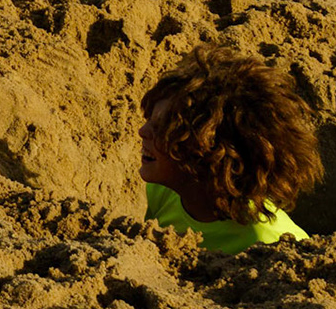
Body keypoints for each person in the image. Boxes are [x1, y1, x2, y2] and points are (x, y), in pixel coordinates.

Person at [138, 46, 323, 253]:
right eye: (149, 121)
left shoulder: (270, 244)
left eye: (161, 127)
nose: (142, 132)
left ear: (210, 149)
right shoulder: (163, 191)